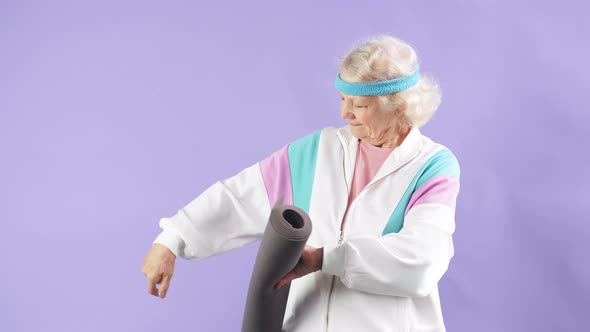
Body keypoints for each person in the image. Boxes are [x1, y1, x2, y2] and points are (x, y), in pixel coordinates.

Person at [142, 34, 461, 332]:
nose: (344, 113)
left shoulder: (432, 166)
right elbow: (240, 198)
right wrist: (172, 239)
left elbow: (422, 259)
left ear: (399, 105)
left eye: (358, 104)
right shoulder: (318, 150)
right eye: (342, 99)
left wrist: (326, 258)